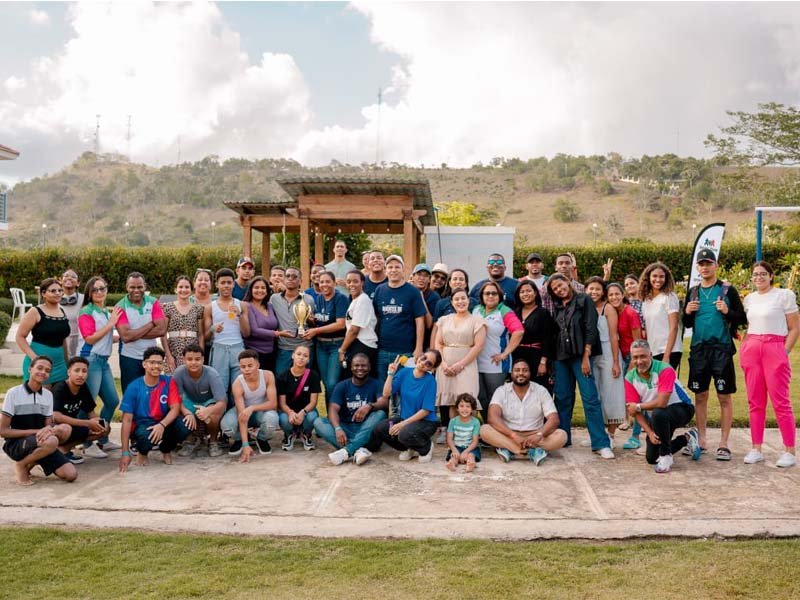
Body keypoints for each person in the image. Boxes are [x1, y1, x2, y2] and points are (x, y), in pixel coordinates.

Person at [682, 248, 747, 461]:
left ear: (715, 265)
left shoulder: (727, 290)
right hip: (699, 350)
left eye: (709, 263)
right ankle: (702, 440)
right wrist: (688, 312)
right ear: (697, 267)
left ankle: (723, 443)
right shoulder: (692, 292)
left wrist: (728, 312)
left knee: (724, 396)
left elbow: (742, 318)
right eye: (701, 264)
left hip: (721, 350)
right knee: (700, 396)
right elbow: (687, 323)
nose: (705, 267)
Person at [547, 274, 613, 458]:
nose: (559, 290)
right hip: (561, 357)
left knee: (590, 398)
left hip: (580, 356)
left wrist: (586, 357)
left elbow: (590, 328)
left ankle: (600, 443)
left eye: (560, 285)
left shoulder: (584, 300)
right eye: (555, 289)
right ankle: (563, 437)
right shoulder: (558, 306)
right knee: (562, 397)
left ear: (567, 282)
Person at [740, 261, 798, 468]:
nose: (759, 278)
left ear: (771, 276)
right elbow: (749, 326)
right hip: (752, 348)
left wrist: (785, 351)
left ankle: (789, 450)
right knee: (755, 401)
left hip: (775, 347)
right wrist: (744, 349)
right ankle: (756, 448)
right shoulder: (749, 299)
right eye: (755, 275)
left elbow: (794, 327)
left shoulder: (784, 295)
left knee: (780, 401)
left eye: (763, 274)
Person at [625, 339, 701, 473]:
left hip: (682, 409)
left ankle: (666, 456)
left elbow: (661, 403)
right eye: (635, 357)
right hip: (658, 418)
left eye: (643, 356)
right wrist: (649, 432)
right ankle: (688, 438)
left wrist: (637, 406)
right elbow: (634, 411)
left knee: (659, 412)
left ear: (651, 355)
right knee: (651, 458)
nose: (639, 361)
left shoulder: (664, 369)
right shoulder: (630, 378)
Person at [1, 356, 77, 485]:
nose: (43, 372)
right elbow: (3, 431)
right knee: (52, 440)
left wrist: (50, 430)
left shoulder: (48, 395)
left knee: (71, 475)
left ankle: (32, 461)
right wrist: (38, 431)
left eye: (47, 370)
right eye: (39, 368)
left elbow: (47, 427)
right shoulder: (13, 393)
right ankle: (21, 465)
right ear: (30, 369)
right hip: (17, 444)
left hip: (41, 441)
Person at [479, 359, 567, 465]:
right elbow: (492, 417)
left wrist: (539, 434)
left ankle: (509, 449)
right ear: (511, 373)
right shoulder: (501, 391)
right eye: (517, 370)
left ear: (530, 373)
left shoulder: (541, 391)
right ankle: (530, 451)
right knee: (484, 430)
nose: (521, 373)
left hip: (534, 435)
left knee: (562, 436)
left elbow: (554, 419)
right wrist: (513, 435)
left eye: (525, 370)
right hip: (509, 433)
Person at [118, 347, 191, 472]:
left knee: (185, 425)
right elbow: (127, 421)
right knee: (145, 436)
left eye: (159, 363)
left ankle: (166, 449)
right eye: (152, 362)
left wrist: (162, 425)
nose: (156, 366)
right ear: (144, 364)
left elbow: (175, 408)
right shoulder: (133, 387)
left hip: (163, 422)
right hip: (142, 425)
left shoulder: (168, 382)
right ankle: (142, 451)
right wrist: (125, 453)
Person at [366, 350, 442, 462]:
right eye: (424, 357)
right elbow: (386, 394)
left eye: (429, 363)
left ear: (431, 369)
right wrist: (390, 374)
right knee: (380, 429)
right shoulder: (404, 373)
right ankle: (408, 448)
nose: (423, 362)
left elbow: (425, 411)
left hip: (426, 422)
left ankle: (425, 447)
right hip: (405, 418)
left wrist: (402, 424)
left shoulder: (430, 381)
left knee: (404, 433)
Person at [315, 353, 388, 466]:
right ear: (351, 367)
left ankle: (347, 451)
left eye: (363, 366)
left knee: (380, 414)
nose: (360, 368)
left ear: (369, 367)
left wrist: (369, 406)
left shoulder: (376, 384)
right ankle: (359, 450)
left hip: (368, 431)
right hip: (346, 430)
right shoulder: (342, 386)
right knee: (318, 422)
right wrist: (338, 428)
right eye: (356, 365)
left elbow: (384, 401)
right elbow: (333, 409)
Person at [78, 276, 122, 456]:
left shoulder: (104, 311)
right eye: (95, 289)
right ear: (89, 292)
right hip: (91, 360)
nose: (99, 292)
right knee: (88, 404)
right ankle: (87, 443)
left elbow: (104, 337)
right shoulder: (86, 311)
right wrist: (112, 324)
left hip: (103, 361)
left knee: (112, 401)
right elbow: (90, 338)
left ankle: (102, 438)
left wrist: (125, 337)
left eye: (102, 288)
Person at [372, 255, 427, 388]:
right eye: (390, 267)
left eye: (397, 267)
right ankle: (383, 410)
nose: (393, 270)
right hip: (383, 350)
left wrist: (418, 348)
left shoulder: (413, 292)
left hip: (406, 351)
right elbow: (375, 317)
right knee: (383, 389)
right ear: (386, 270)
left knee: (403, 389)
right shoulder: (380, 290)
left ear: (403, 270)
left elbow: (420, 320)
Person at [473, 281, 524, 422]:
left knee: (494, 399)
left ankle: (500, 430)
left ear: (499, 295)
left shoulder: (504, 311)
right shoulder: (476, 309)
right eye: (487, 293)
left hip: (495, 363)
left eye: (494, 293)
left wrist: (505, 354)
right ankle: (490, 428)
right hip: (476, 361)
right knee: (480, 397)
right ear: (482, 296)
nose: (490, 296)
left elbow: (518, 331)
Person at [434, 289, 486, 424]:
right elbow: (438, 343)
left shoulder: (477, 321)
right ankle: (453, 433)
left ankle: (471, 433)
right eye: (456, 299)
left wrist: (460, 364)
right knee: (451, 400)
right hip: (445, 366)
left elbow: (478, 346)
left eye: (463, 298)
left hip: (466, 365)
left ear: (468, 300)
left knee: (468, 399)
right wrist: (443, 364)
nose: (460, 302)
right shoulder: (444, 320)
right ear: (452, 302)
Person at [585, 277, 625, 445]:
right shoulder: (585, 307)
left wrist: (616, 362)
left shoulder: (608, 308)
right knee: (596, 394)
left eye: (597, 289)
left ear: (603, 292)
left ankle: (611, 434)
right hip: (592, 354)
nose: (593, 292)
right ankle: (598, 433)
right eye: (590, 289)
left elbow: (614, 336)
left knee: (611, 392)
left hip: (608, 351)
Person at [220, 350, 279, 460]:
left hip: (261, 411)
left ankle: (261, 438)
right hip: (244, 411)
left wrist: (252, 407)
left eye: (250, 366)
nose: (246, 369)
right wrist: (245, 445)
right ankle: (241, 439)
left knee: (272, 420)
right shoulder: (238, 383)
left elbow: (273, 403)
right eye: (243, 367)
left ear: (257, 365)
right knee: (227, 426)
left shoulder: (268, 375)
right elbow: (242, 415)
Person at [171, 344, 227, 458]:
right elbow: (176, 399)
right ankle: (192, 438)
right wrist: (187, 412)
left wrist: (208, 410)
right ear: (184, 360)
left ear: (203, 359)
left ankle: (213, 441)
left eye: (197, 359)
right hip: (190, 401)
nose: (193, 362)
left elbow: (222, 402)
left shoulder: (212, 374)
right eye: (189, 359)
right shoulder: (178, 373)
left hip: (209, 401)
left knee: (213, 415)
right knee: (176, 409)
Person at [52, 357, 111, 463]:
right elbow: (56, 416)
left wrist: (99, 423)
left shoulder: (83, 387)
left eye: (84, 371)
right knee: (65, 429)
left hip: (73, 425)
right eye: (77, 370)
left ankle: (64, 450)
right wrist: (87, 423)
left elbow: (91, 412)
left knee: (105, 426)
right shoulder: (60, 388)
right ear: (69, 372)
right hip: (55, 427)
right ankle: (55, 451)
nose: (80, 374)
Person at [116, 272, 167, 393]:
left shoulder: (153, 302)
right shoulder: (120, 307)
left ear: (145, 286)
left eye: (140, 287)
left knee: (151, 393)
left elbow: (161, 330)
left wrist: (134, 334)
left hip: (151, 357)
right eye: (132, 287)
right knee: (131, 393)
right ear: (126, 287)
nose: (136, 290)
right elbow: (126, 337)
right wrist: (150, 324)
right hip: (129, 357)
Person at [204, 268, 250, 397]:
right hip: (218, 349)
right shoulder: (209, 307)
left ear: (233, 284)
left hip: (238, 348)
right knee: (219, 388)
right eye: (223, 283)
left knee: (240, 388)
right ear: (217, 284)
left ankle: (237, 414)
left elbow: (247, 333)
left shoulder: (242, 305)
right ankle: (220, 415)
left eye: (229, 283)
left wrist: (239, 315)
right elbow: (205, 336)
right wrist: (213, 329)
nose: (226, 286)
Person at [17, 277, 70, 386]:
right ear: (43, 293)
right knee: (40, 401)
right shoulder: (35, 311)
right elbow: (20, 337)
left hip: (60, 366)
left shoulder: (62, 311)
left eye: (60, 290)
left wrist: (67, 362)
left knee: (58, 401)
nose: (58, 293)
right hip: (40, 367)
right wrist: (34, 358)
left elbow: (63, 339)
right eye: (53, 291)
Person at [304, 271, 347, 402]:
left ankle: (336, 415)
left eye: (328, 281)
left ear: (334, 283)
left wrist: (316, 330)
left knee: (332, 383)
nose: (324, 284)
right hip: (321, 346)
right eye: (322, 282)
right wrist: (312, 320)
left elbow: (340, 324)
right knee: (326, 383)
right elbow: (322, 320)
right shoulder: (319, 299)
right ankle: (331, 417)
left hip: (336, 345)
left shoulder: (340, 298)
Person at [269, 267, 316, 374]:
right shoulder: (274, 299)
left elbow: (313, 324)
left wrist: (311, 320)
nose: (290, 279)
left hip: (304, 347)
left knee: (303, 382)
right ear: (284, 280)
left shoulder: (308, 299)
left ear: (300, 281)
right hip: (284, 347)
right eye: (288, 276)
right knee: (281, 379)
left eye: (294, 277)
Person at [512, 279, 555, 391]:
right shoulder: (514, 313)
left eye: (528, 291)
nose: (525, 294)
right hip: (517, 356)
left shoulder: (543, 313)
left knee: (538, 389)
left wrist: (543, 362)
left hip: (537, 357)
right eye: (522, 292)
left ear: (535, 293)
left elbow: (548, 339)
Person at [276, 345, 321, 451]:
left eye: (305, 356)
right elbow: (282, 403)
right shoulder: (282, 376)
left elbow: (313, 402)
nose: (301, 358)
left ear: (309, 359)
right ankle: (289, 435)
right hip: (289, 410)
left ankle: (306, 434)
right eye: (298, 354)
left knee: (312, 416)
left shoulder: (313, 375)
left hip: (306, 411)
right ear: (293, 356)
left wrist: (302, 412)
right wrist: (290, 413)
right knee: (283, 419)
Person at [640, 262, 682, 369]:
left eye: (661, 276)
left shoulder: (669, 297)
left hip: (669, 351)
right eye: (654, 276)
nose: (658, 279)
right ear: (648, 277)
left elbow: (674, 328)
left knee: (666, 384)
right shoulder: (646, 301)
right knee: (656, 385)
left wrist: (667, 355)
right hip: (653, 351)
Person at [339, 270, 379, 379]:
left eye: (355, 281)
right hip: (356, 344)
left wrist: (342, 350)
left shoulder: (363, 300)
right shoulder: (355, 300)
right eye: (349, 282)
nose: (351, 284)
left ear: (362, 283)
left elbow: (354, 330)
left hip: (363, 345)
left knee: (361, 382)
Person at [161, 275, 205, 373]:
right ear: (175, 290)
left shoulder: (198, 309)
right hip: (174, 352)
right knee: (172, 383)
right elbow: (163, 334)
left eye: (186, 287)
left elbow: (201, 335)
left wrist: (200, 355)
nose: (183, 290)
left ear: (191, 289)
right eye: (180, 287)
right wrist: (168, 355)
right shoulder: (168, 307)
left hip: (192, 352)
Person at [243, 275, 281, 372]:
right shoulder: (247, 306)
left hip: (272, 352)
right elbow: (254, 331)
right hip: (254, 353)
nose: (260, 290)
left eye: (263, 288)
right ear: (250, 290)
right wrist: (276, 334)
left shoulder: (269, 306)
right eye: (256, 287)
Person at [445, 393, 482, 472]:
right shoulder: (453, 421)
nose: (464, 409)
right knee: (454, 456)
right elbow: (449, 439)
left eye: (468, 406)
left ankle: (471, 464)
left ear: (472, 409)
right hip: (457, 446)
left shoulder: (475, 422)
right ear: (457, 408)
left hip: (471, 447)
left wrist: (466, 451)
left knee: (471, 456)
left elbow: (475, 441)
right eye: (461, 406)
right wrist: (454, 450)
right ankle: (452, 464)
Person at [411, 263, 441, 347]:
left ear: (429, 279)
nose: (422, 278)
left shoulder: (434, 297)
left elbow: (429, 324)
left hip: (425, 342)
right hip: (406, 340)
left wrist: (421, 299)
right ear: (413, 277)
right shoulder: (406, 291)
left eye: (425, 276)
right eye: (419, 275)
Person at [191, 268, 216, 362]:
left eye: (206, 280)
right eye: (200, 279)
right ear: (194, 283)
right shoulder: (187, 301)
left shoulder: (217, 300)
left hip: (215, 345)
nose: (203, 282)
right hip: (192, 345)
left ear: (211, 285)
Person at [59, 269, 84, 358]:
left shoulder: (85, 299)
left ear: (78, 283)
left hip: (80, 343)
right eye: (66, 276)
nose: (69, 278)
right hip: (61, 344)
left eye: (73, 276)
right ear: (60, 280)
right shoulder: (54, 299)